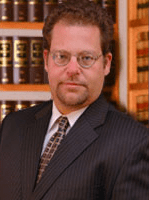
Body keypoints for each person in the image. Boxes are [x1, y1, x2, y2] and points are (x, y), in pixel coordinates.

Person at [0, 0, 149, 199]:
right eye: (61, 56)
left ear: (106, 64)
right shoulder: (12, 126)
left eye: (86, 58)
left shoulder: (133, 142)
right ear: (46, 60)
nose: (72, 70)